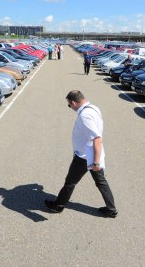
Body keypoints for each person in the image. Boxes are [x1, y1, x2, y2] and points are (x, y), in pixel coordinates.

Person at [45, 90, 118, 218]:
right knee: (101, 182)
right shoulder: (93, 108)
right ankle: (111, 209)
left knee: (70, 182)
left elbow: (97, 138)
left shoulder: (85, 115)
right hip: (92, 153)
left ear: (74, 102)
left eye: (69, 105)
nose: (70, 107)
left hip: (85, 156)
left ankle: (59, 205)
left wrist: (95, 162)